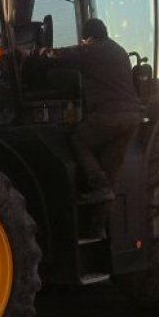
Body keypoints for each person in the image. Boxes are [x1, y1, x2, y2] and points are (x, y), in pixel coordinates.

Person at [37, 18, 142, 204]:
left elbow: (62, 56)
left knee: (79, 140)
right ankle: (101, 218)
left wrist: (38, 53)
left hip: (110, 116)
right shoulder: (119, 51)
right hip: (132, 117)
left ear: (89, 38)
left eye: (83, 40)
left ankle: (98, 185)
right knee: (110, 170)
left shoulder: (93, 50)